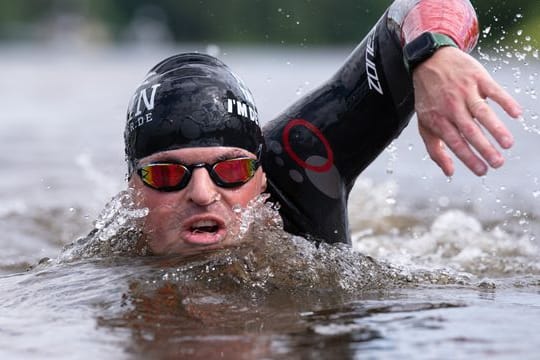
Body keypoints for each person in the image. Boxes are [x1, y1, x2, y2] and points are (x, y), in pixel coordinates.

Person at [125, 0, 522, 255]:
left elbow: (427, 3)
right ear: (133, 191)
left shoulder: (297, 163)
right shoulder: (98, 267)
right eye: (166, 175)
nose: (202, 193)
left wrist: (433, 52)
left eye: (231, 171)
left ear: (262, 176)